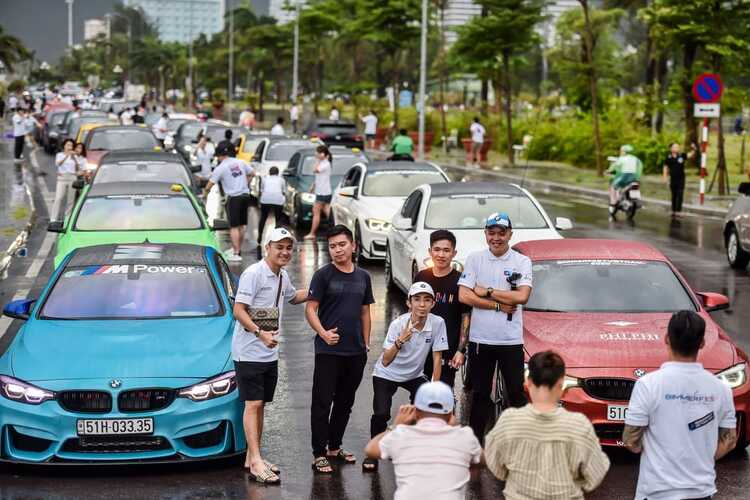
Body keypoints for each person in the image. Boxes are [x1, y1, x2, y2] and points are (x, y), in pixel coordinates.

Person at [623, 310, 738, 500]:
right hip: (701, 491)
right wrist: (699, 459)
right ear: (701, 343)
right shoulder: (721, 388)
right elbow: (730, 440)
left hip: (656, 491)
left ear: (667, 338)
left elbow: (631, 440)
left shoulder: (648, 384)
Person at [232, 227, 308, 484]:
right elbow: (238, 310)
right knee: (252, 404)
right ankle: (254, 460)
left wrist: (320, 286)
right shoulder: (253, 274)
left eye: (289, 248)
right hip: (249, 351)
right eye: (280, 247)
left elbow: (293, 297)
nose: (285, 252)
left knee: (260, 403)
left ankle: (253, 456)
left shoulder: (282, 276)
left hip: (268, 353)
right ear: (268, 248)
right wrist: (259, 333)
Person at [484, 351, 610, 499]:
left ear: (528, 382)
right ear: (562, 385)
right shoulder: (579, 425)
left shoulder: (509, 421)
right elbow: (595, 473)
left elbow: (496, 466)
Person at [306, 224, 375, 474]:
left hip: (355, 352)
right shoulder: (323, 275)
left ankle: (334, 447)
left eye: (342, 244)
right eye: (332, 246)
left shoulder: (363, 277)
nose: (337, 250)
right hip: (328, 351)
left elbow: (365, 310)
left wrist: (366, 342)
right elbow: (310, 308)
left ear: (353, 246)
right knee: (322, 402)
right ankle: (318, 453)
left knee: (345, 402)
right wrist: (323, 333)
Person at [458, 212, 532, 442]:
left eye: (502, 233)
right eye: (492, 233)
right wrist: (498, 305)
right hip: (482, 340)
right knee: (480, 394)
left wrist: (488, 290)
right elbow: (464, 296)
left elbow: (522, 296)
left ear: (510, 234)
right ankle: (475, 445)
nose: (496, 238)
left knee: (516, 394)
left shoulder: (521, 261)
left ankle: (523, 443)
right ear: (485, 234)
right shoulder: (475, 259)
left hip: (510, 341)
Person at [363, 281, 449, 472]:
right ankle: (372, 454)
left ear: (433, 304)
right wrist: (400, 340)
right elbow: (385, 360)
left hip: (414, 375)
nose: (421, 304)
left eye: (427, 300)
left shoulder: (437, 323)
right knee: (381, 414)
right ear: (409, 303)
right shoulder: (398, 324)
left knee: (426, 409)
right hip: (387, 373)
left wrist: (434, 387)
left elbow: (437, 357)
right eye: (417, 299)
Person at [364, 383, 482, 499]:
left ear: (416, 412)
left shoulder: (402, 435)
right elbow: (484, 459)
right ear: (450, 413)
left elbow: (371, 449)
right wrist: (456, 429)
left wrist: (395, 426)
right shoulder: (463, 437)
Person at [415, 230, 471, 388]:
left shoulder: (461, 281)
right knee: (418, 395)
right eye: (437, 249)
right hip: (421, 349)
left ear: (454, 253)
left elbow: (466, 317)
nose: (441, 254)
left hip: (448, 351)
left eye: (446, 250)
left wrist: (461, 350)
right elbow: (411, 313)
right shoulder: (421, 277)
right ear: (430, 251)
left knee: (443, 396)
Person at [203, 144, 255, 261]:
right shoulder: (240, 162)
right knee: (241, 225)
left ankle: (236, 253)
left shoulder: (221, 167)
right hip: (245, 195)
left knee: (234, 226)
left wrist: (205, 194)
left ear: (220, 156)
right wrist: (246, 183)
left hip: (234, 198)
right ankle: (237, 249)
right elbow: (252, 173)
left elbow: (210, 184)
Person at [304, 145, 332, 240]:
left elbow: (315, 170)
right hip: (324, 191)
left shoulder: (325, 163)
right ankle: (336, 229)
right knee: (328, 211)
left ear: (322, 154)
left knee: (316, 212)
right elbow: (319, 177)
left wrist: (318, 161)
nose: (315, 154)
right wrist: (313, 186)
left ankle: (312, 233)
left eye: (317, 152)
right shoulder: (324, 163)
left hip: (322, 193)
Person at [607, 144, 643, 219]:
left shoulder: (622, 158)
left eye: (621, 151)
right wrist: (637, 177)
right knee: (635, 186)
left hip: (624, 177)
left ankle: (613, 203)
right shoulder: (637, 159)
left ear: (624, 151)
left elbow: (615, 167)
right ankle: (636, 200)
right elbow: (640, 167)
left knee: (614, 187)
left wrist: (609, 171)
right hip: (634, 178)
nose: (620, 152)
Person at [51, 139, 81, 222]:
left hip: (72, 177)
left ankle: (67, 219)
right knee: (58, 198)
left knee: (71, 199)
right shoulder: (59, 155)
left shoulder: (75, 156)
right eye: (67, 145)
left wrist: (74, 158)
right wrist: (67, 156)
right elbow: (58, 164)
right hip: (62, 178)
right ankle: (53, 218)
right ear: (64, 146)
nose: (69, 147)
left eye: (71, 145)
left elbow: (78, 169)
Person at [663, 142, 696, 218]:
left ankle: (678, 211)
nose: (677, 148)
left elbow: (690, 155)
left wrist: (694, 149)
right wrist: (664, 177)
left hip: (681, 179)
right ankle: (673, 210)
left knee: (680, 194)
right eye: (675, 147)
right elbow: (665, 167)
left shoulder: (681, 156)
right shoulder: (668, 157)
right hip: (673, 179)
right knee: (674, 195)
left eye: (678, 147)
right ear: (671, 149)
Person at [257, 166, 286, 244]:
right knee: (278, 219)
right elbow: (283, 192)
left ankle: (259, 237)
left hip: (265, 200)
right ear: (277, 173)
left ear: (269, 172)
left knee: (263, 217)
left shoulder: (264, 179)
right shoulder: (281, 180)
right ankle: (277, 238)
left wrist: (259, 202)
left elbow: (261, 191)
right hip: (278, 201)